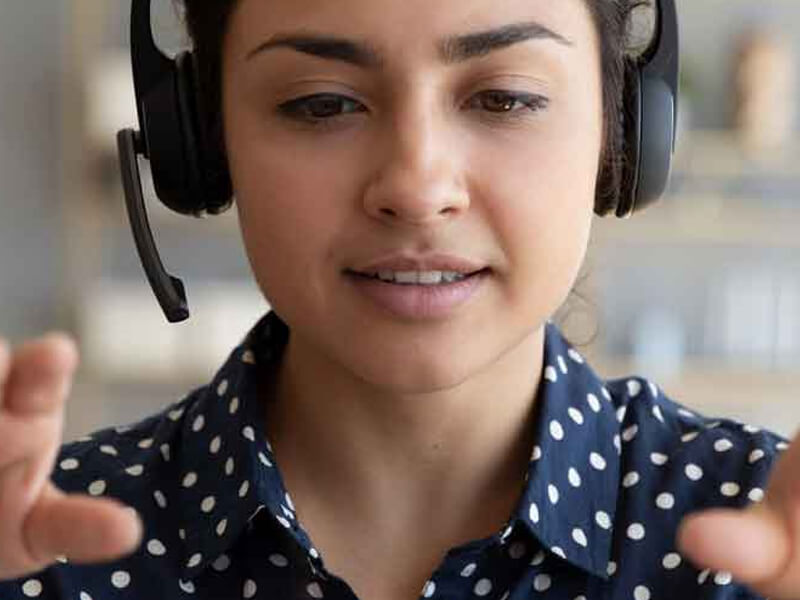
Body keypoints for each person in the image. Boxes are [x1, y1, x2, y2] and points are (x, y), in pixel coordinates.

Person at [0, 0, 798, 598]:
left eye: (505, 98)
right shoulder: (43, 550)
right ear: (203, 147)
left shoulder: (764, 539)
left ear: (620, 133)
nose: (417, 190)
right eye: (322, 102)